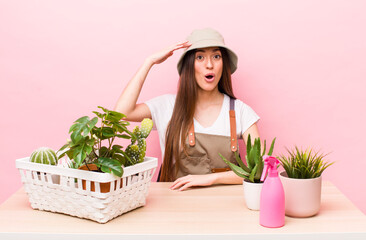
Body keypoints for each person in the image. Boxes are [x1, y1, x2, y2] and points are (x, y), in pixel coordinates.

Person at [115, 28, 260, 191]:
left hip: (225, 209)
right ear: (189, 65)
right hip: (173, 209)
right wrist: (149, 62)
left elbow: (258, 170)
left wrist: (211, 178)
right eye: (200, 57)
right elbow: (122, 113)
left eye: (216, 56)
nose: (209, 65)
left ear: (224, 63)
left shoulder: (241, 111)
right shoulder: (168, 106)